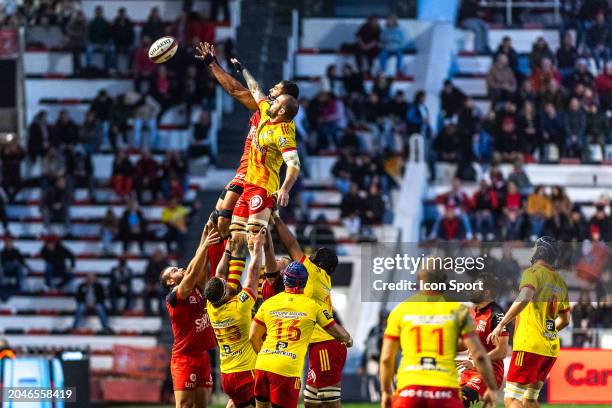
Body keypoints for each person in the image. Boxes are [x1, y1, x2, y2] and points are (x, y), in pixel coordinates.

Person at [196, 42, 299, 292]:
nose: (270, 90)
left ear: (283, 102)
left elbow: (293, 163)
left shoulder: (279, 124)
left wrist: (284, 187)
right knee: (220, 224)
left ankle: (241, 285)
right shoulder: (263, 109)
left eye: (276, 90)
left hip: (258, 180)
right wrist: (213, 65)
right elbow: (239, 88)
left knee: (240, 231)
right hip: (245, 172)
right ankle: (220, 278)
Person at [379, 262, 499, 408]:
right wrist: (492, 388)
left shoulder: (400, 310)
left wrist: (386, 392)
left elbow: (386, 359)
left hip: (409, 390)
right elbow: (479, 355)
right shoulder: (458, 310)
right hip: (445, 391)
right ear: (444, 280)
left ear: (418, 278)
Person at [249, 261, 352, 408]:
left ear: (285, 279)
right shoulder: (312, 306)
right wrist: (348, 339)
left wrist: (265, 356)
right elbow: (337, 331)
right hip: (286, 370)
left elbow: (253, 337)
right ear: (305, 282)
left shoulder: (269, 303)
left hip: (262, 365)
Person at [272, 213, 346, 407]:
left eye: (314, 254)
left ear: (318, 263)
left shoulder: (313, 273)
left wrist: (276, 219)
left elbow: (291, 243)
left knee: (329, 401)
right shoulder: (324, 278)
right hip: (322, 344)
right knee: (310, 402)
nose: (310, 256)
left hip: (325, 344)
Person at [487, 236, 570, 408]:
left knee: (511, 400)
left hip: (529, 345)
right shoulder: (560, 282)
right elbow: (565, 319)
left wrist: (502, 324)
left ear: (540, 251)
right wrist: (548, 331)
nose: (532, 251)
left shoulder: (532, 272)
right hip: (550, 348)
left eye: (534, 248)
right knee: (530, 400)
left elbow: (525, 296)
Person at [160, 227, 219, 408]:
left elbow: (199, 265)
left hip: (202, 355)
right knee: (185, 405)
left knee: (202, 405)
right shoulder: (175, 295)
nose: (179, 268)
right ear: (170, 282)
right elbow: (193, 272)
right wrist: (205, 245)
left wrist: (205, 233)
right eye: (173, 270)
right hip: (184, 358)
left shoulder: (196, 288)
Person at [205, 230, 264, 408]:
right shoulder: (239, 306)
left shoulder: (211, 306)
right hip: (246, 372)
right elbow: (252, 277)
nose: (228, 283)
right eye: (226, 285)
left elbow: (219, 274)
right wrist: (256, 250)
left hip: (227, 376)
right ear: (224, 294)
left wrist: (228, 251)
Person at [458, 274, 509, 408]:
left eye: (476, 287)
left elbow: (502, 351)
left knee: (459, 401)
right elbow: (465, 343)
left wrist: (476, 362)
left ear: (486, 292)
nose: (471, 289)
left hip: (489, 373)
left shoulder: (497, 314)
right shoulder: (471, 312)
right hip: (468, 371)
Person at [144, 248, 168, 316]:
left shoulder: (166, 265)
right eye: (156, 255)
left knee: (160, 291)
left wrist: (159, 284)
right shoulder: (150, 264)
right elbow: (146, 276)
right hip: (151, 285)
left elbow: (167, 278)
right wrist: (148, 284)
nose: (157, 257)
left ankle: (160, 311)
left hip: (163, 286)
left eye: (158, 255)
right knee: (145, 292)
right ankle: (148, 311)